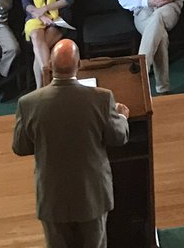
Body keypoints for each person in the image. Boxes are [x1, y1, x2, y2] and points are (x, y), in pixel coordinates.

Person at [12, 38, 130, 248]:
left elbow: (21, 147)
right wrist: (121, 117)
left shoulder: (28, 103)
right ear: (79, 65)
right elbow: (117, 138)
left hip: (52, 197)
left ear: (49, 66)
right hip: (91, 195)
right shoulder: (101, 99)